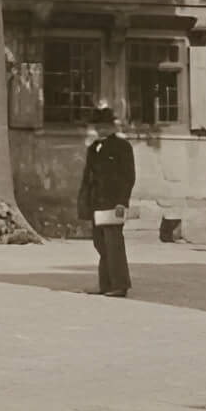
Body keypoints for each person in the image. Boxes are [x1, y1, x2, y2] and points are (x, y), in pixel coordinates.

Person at [77, 103, 134, 297]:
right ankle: (106, 284)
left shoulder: (122, 147)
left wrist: (122, 202)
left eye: (104, 126)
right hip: (97, 202)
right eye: (98, 126)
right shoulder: (93, 148)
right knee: (100, 244)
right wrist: (85, 203)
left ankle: (120, 285)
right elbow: (88, 177)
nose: (101, 129)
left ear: (112, 127)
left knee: (114, 243)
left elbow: (128, 177)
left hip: (113, 202)